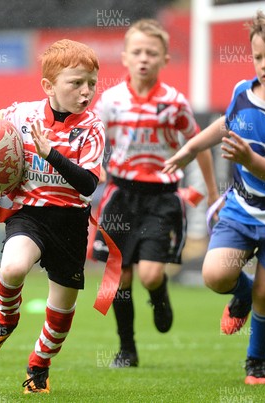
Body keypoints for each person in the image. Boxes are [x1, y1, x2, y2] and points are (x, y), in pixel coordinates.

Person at [164, 12, 265, 384]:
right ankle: (241, 295)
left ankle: (257, 363)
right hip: (242, 211)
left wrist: (249, 158)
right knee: (216, 276)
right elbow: (223, 125)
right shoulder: (242, 93)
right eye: (258, 57)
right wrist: (189, 150)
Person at [0, 39, 104, 394]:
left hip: (70, 222)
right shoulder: (21, 114)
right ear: (49, 86)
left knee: (61, 309)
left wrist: (50, 153)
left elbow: (87, 185)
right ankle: (5, 319)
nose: (86, 92)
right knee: (11, 268)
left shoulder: (93, 128)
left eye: (91, 84)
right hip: (30, 215)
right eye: (76, 83)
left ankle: (39, 365)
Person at [90, 18, 218, 368]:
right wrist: (93, 167)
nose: (144, 58)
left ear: (165, 59)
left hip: (161, 198)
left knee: (148, 274)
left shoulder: (174, 104)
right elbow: (90, 138)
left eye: (152, 52)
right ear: (125, 58)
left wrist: (211, 191)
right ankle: (126, 349)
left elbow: (199, 145)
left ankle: (159, 295)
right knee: (120, 278)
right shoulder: (111, 101)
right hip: (120, 196)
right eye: (137, 52)